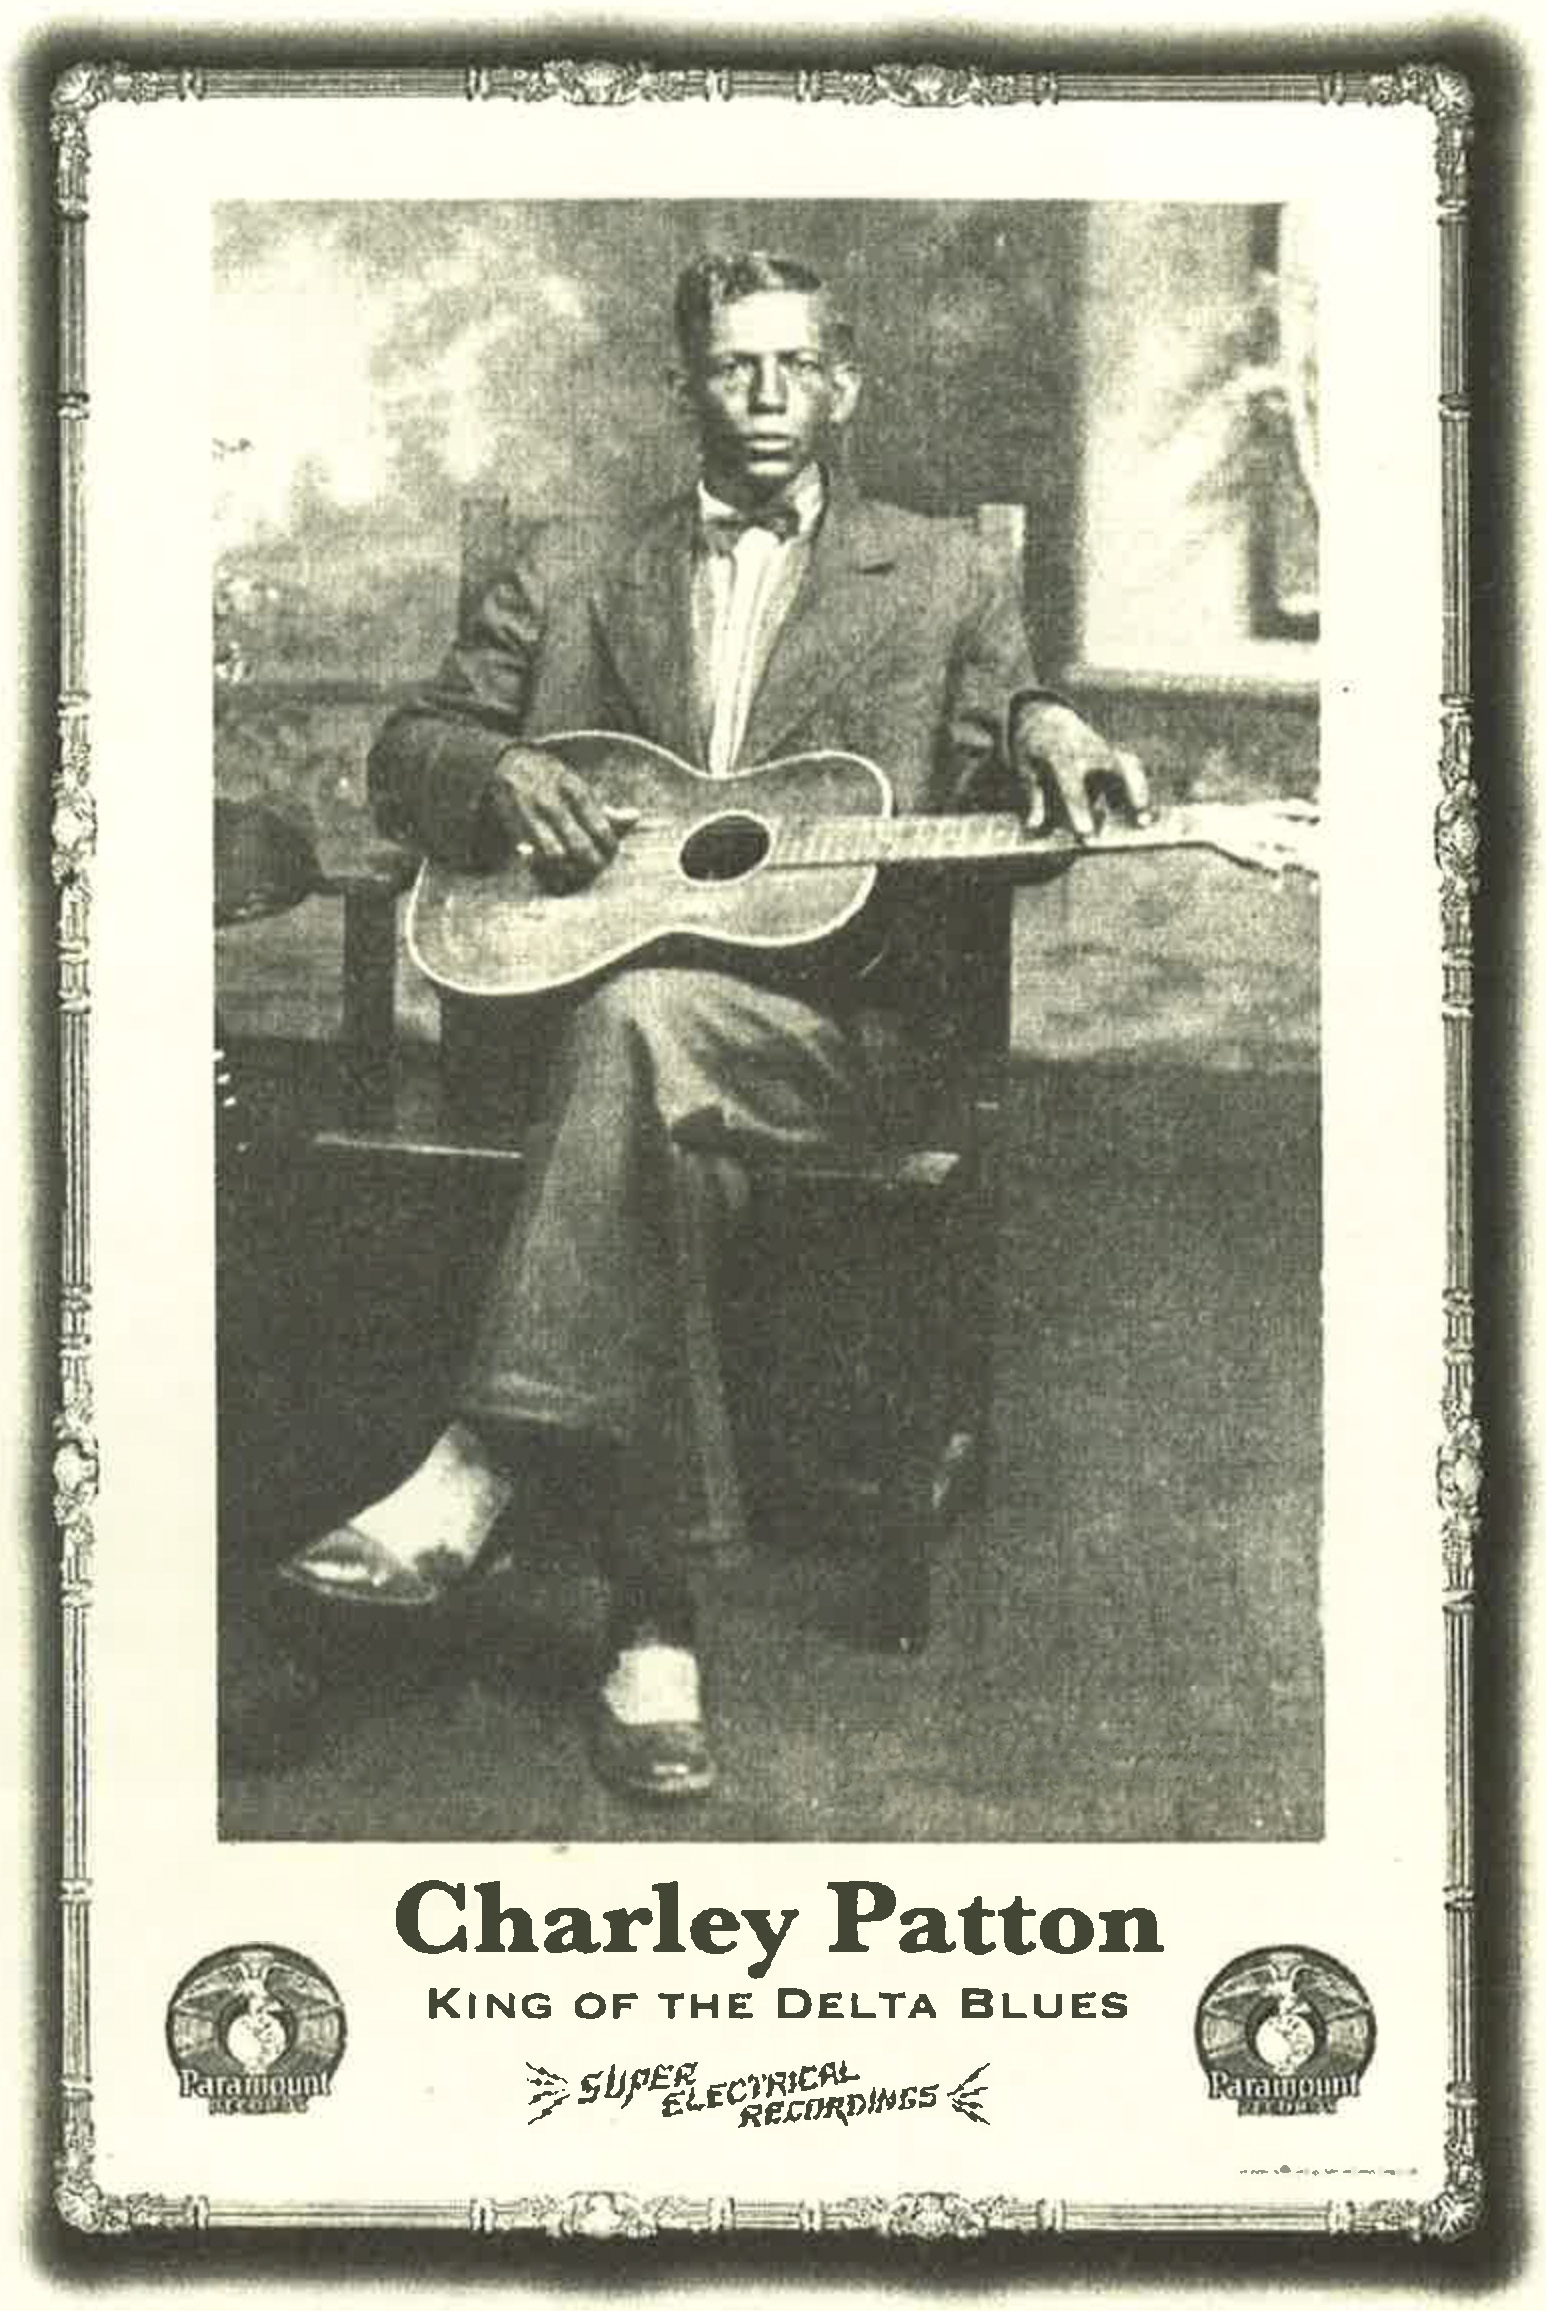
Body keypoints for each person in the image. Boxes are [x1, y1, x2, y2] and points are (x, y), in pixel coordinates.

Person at [279, 250, 1150, 1800]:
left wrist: (1050, 722)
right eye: (731, 366)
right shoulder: (568, 567)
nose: (763, 395)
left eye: (793, 365)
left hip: (837, 1044)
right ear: (683, 385)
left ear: (842, 387)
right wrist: (487, 778)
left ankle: (483, 1466)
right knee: (645, 1076)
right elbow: (418, 738)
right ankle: (650, 1626)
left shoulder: (940, 573)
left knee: (640, 1030)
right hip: (596, 1037)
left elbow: (1010, 719)